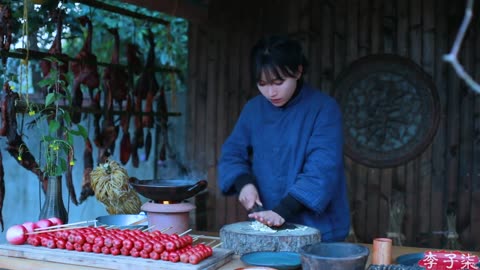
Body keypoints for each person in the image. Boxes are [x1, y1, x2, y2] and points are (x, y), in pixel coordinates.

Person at [217, 35, 350, 242]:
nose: (271, 92)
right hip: (267, 226)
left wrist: (283, 210)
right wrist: (244, 184)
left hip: (319, 230)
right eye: (262, 83)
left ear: (298, 71)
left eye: (279, 82)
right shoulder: (253, 109)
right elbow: (232, 153)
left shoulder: (324, 108)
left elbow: (323, 168)